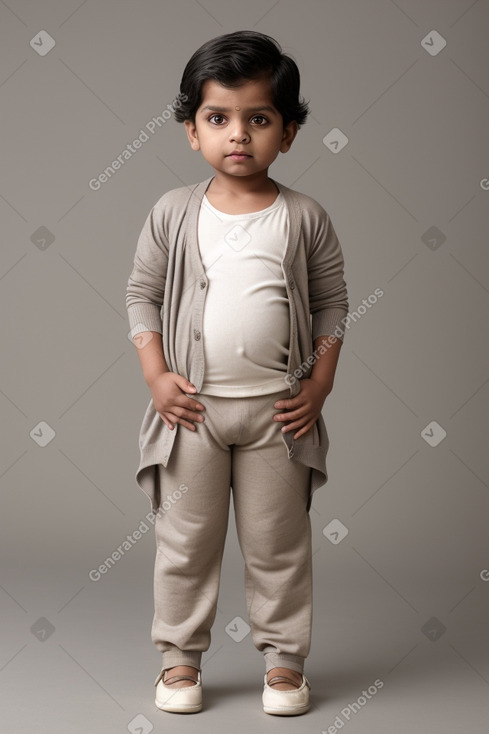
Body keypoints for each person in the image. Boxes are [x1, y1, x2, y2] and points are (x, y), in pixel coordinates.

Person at [126, 29, 349, 716]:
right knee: (184, 543)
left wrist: (317, 385)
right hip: (192, 413)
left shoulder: (303, 217)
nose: (238, 135)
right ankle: (179, 663)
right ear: (191, 130)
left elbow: (333, 306)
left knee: (277, 545)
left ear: (287, 131)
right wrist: (158, 377)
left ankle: (283, 664)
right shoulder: (172, 211)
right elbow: (142, 295)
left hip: (277, 415)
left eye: (259, 118)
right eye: (218, 118)